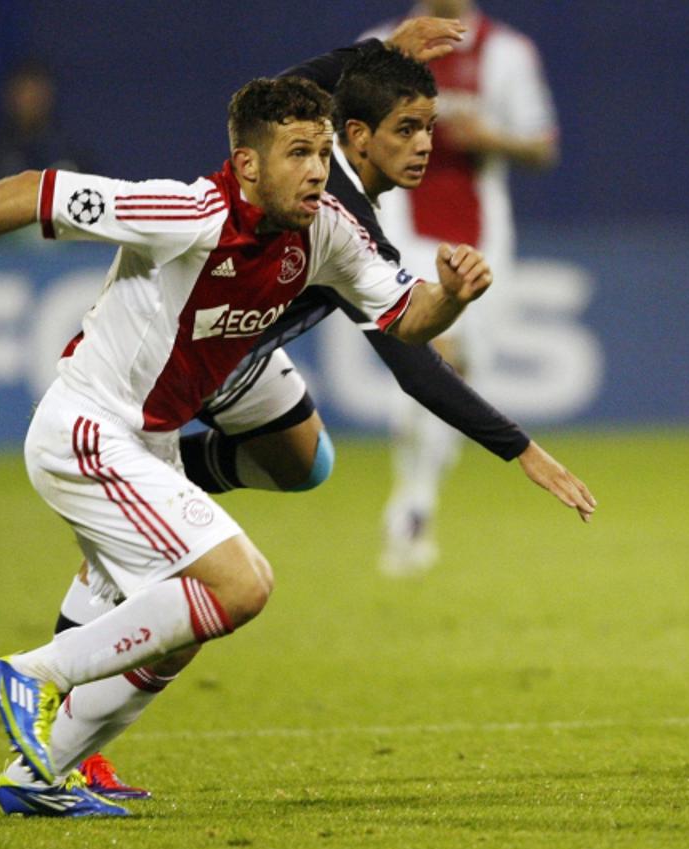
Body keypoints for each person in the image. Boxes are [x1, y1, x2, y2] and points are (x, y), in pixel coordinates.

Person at [0, 74, 493, 818]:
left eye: (322, 150)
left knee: (178, 629)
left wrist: (451, 298)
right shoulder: (187, 213)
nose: (316, 168)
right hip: (87, 430)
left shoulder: (328, 231)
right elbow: (33, 190)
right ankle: (35, 673)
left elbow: (405, 317)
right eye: (297, 152)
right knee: (242, 585)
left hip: (149, 448)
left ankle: (38, 772)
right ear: (248, 165)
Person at [49, 27, 595, 802]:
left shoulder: (326, 159)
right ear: (359, 137)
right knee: (147, 571)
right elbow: (412, 363)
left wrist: (379, 51)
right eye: (409, 129)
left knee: (309, 462)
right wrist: (521, 449)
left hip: (250, 351)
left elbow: (290, 82)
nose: (426, 148)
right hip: (200, 356)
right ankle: (65, 716)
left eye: (430, 129)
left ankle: (185, 477)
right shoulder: (336, 213)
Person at [362, 1, 560, 573]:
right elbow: (347, 141)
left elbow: (543, 146)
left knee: (461, 376)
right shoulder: (382, 45)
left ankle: (414, 501)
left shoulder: (507, 53)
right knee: (432, 355)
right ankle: (410, 515)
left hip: (481, 235)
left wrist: (489, 136)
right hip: (401, 228)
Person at [0, 59, 92, 195]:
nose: (30, 99)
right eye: (24, 91)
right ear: (9, 95)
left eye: (36, 91)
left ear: (49, 95)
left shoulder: (72, 154)